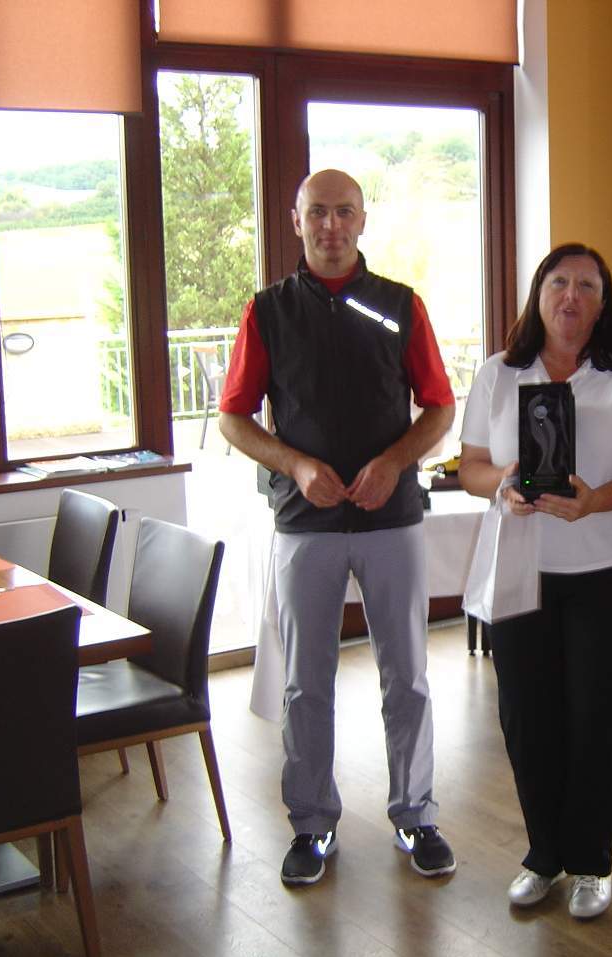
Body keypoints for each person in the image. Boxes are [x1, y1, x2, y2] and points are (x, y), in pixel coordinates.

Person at [219, 169, 457, 887]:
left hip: (392, 517)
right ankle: (312, 824)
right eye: (317, 213)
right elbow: (233, 418)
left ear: (362, 220)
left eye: (344, 212)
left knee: (407, 676)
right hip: (305, 524)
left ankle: (416, 815)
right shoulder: (267, 312)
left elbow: (440, 408)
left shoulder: (400, 305)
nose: (331, 226)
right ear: (296, 221)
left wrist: (394, 461)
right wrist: (293, 464)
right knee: (305, 683)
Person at [458, 243, 612, 920]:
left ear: (603, 303)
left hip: (611, 569)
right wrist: (502, 485)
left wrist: (594, 500)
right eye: (559, 282)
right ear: (539, 293)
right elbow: (470, 466)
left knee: (597, 717)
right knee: (526, 716)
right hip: (521, 565)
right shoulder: (498, 373)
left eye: (587, 286)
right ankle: (543, 853)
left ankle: (591, 863)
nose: (571, 296)